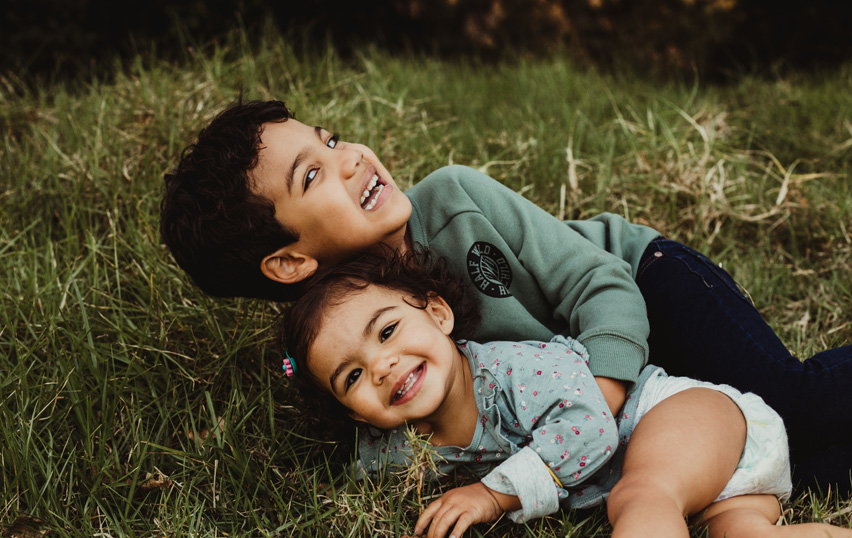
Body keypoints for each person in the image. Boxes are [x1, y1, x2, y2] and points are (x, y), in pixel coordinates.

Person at [159, 99, 852, 491]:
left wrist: (603, 400)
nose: (350, 158)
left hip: (645, 285)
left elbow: (596, 282)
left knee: (790, 401)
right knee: (785, 467)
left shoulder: (457, 198)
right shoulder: (348, 340)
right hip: (610, 386)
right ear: (287, 263)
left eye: (330, 138)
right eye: (314, 176)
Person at [278, 250, 852, 538]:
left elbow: (593, 427)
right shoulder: (397, 452)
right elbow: (379, 487)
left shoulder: (511, 368)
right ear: (355, 415)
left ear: (437, 313)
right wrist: (423, 532)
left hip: (684, 417)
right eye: (351, 377)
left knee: (642, 493)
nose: (381, 367)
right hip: (706, 496)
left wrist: (489, 494)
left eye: (386, 332)